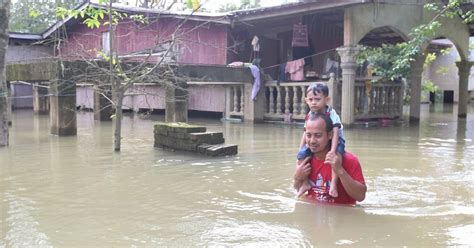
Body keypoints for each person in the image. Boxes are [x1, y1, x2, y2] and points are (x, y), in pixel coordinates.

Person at [293, 113, 366, 205]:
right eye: (308, 135)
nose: (312, 141)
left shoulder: (349, 160)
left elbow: (361, 197)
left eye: (318, 135)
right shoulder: (305, 160)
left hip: (341, 215)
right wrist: (297, 177)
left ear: (330, 135)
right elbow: (297, 189)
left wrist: (340, 170)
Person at [296, 83, 345, 198]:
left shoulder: (331, 114)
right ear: (306, 100)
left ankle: (333, 183)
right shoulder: (310, 115)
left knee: (336, 156)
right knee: (301, 155)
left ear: (326, 99)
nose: (313, 102)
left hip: (336, 140)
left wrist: (332, 151)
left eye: (317, 99)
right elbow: (305, 133)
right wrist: (301, 150)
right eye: (310, 99)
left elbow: (336, 133)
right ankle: (304, 183)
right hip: (320, 140)